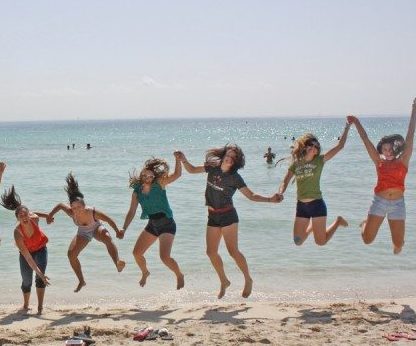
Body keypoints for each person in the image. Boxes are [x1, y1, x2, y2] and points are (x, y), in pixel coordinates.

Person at [177, 146, 282, 299]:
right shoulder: (212, 166)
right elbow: (192, 170)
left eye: (232, 158)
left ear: (235, 162)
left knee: (233, 251)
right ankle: (224, 281)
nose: (229, 158)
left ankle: (248, 279)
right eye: (228, 155)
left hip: (228, 216)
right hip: (212, 215)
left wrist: (270, 200)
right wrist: (183, 160)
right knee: (210, 252)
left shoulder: (235, 177)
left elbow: (251, 195)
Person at [348, 96, 416, 254]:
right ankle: (364, 224)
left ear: (396, 149)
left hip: (398, 204)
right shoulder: (378, 161)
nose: (387, 152)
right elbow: (365, 139)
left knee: (398, 244)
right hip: (379, 202)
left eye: (391, 149)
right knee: (367, 240)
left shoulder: (403, 160)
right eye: (384, 149)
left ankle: (398, 243)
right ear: (381, 150)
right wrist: (356, 121)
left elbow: (410, 134)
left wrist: (414, 110)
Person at [48, 173, 125, 292]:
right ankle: (81, 281)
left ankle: (118, 264)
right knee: (71, 254)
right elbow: (59, 205)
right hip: (83, 233)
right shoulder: (71, 213)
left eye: (79, 207)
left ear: (84, 205)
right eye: (74, 208)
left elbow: (108, 220)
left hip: (95, 228)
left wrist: (117, 231)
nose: (77, 210)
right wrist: (50, 216)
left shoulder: (92, 212)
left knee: (107, 238)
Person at [277, 123, 351, 246]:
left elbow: (340, 146)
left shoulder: (320, 161)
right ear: (305, 147)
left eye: (317, 146)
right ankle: (312, 227)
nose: (314, 148)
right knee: (298, 241)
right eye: (311, 145)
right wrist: (280, 192)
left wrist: (347, 126)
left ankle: (338, 222)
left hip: (317, 204)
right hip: (301, 206)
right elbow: (285, 181)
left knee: (320, 242)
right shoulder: (296, 164)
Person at [121, 155, 185, 289]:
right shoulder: (137, 191)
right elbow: (132, 211)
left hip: (167, 224)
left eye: (150, 176)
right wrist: (124, 229)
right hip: (153, 225)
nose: (148, 178)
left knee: (164, 257)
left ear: (154, 177)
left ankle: (179, 274)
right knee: (137, 253)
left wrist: (178, 159)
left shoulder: (160, 183)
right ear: (141, 175)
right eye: (145, 176)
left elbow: (178, 174)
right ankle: (145, 272)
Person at [0, 186, 51, 314]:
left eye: (25, 214)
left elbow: (37, 214)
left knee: (40, 280)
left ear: (29, 214)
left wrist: (48, 216)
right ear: (17, 218)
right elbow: (28, 258)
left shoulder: (34, 218)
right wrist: (40, 273)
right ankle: (26, 305)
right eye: (21, 215)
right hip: (26, 254)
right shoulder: (17, 233)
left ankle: (40, 307)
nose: (24, 217)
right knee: (26, 280)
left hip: (41, 250)